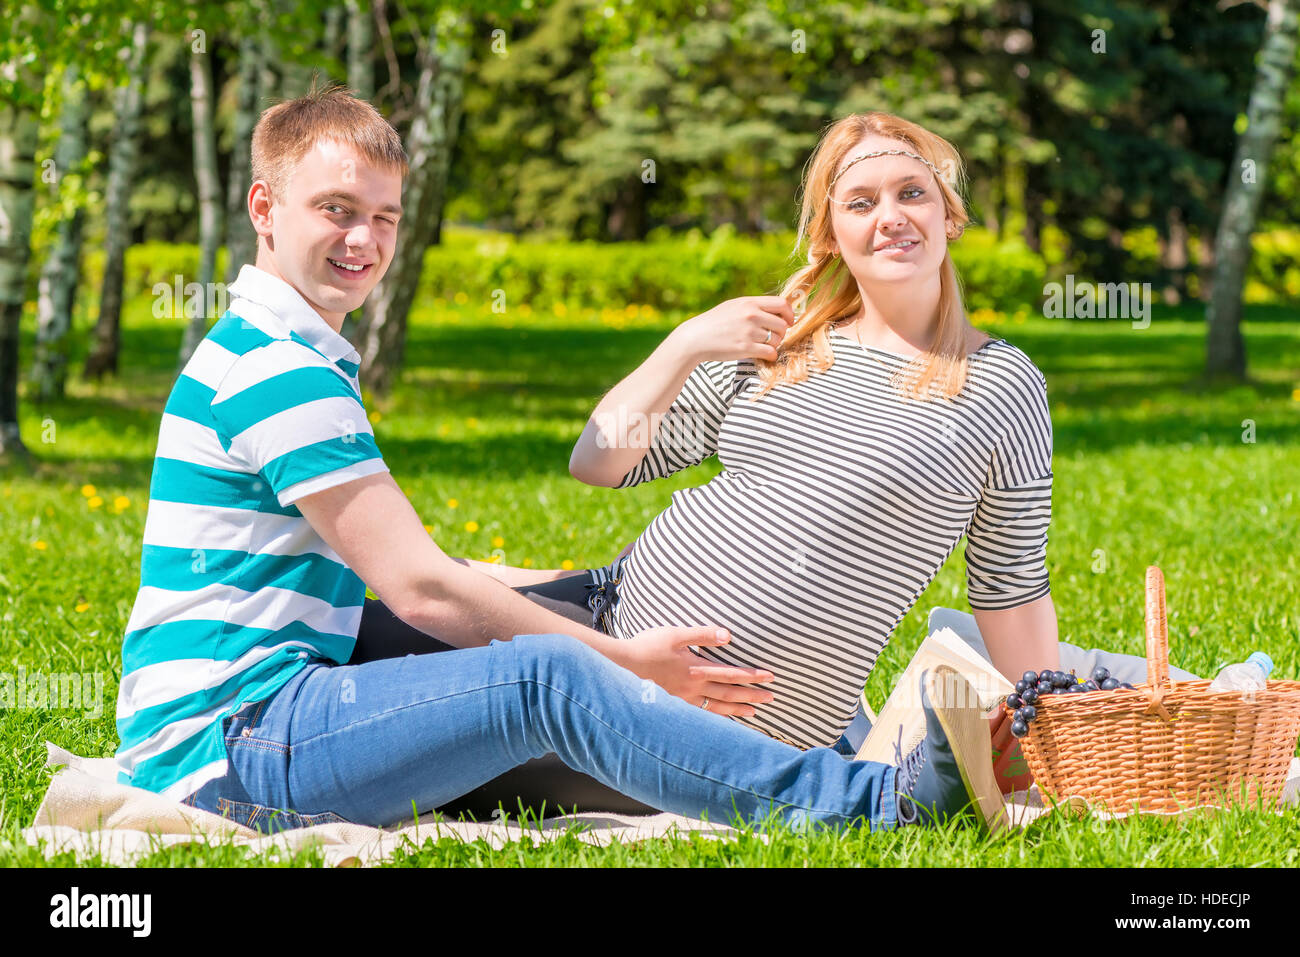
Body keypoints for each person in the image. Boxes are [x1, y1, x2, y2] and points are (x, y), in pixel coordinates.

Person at [111, 86, 1009, 836]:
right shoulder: (278, 373)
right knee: (549, 674)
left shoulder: (276, 352)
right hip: (235, 745)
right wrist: (626, 661)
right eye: (336, 211)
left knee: (501, 640)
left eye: (384, 217)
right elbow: (425, 586)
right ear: (265, 210)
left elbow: (400, 579)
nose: (365, 242)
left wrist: (533, 587)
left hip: (257, 712)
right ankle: (869, 803)